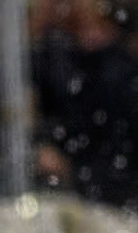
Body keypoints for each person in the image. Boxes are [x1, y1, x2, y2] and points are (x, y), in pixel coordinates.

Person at [31, 0, 138, 213]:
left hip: (113, 188)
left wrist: (72, 170)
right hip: (78, 186)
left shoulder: (119, 64)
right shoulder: (55, 53)